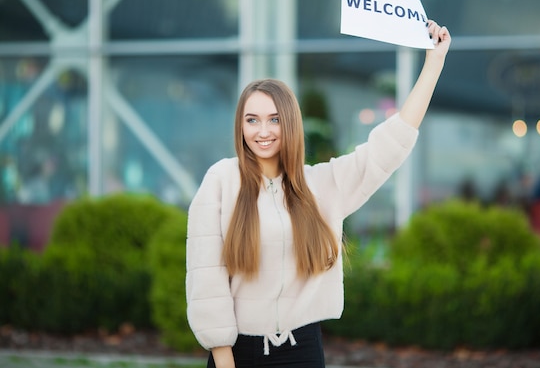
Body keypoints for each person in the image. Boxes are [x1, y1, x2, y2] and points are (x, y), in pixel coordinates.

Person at [186, 20, 451, 368]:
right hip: (238, 354)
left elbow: (389, 145)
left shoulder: (322, 184)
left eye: (274, 119)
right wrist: (223, 358)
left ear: (291, 124)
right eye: (252, 120)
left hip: (304, 352)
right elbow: (206, 276)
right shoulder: (220, 180)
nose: (262, 131)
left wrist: (434, 63)